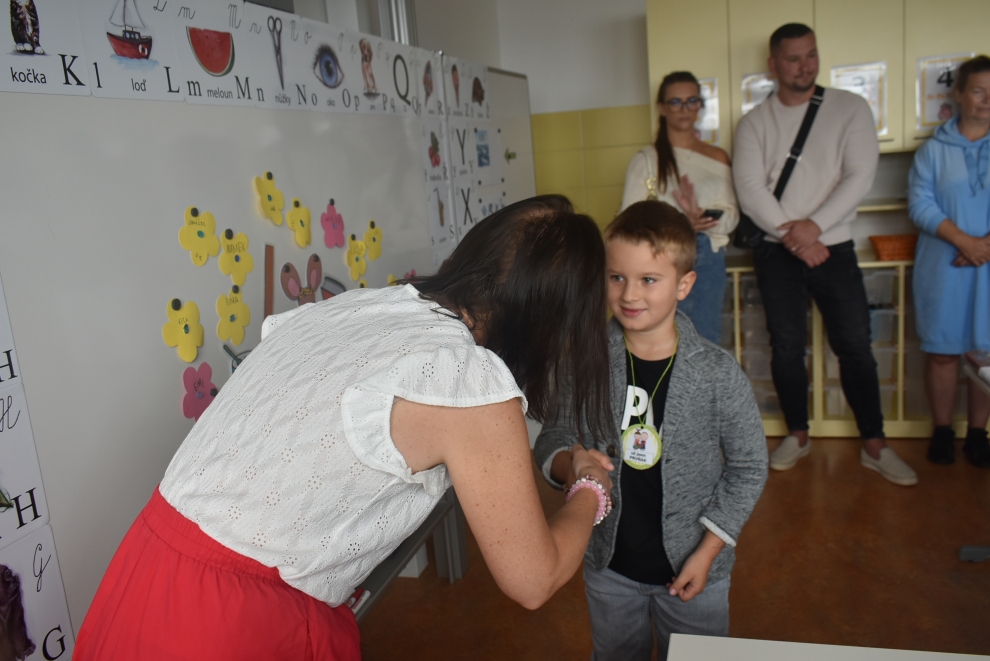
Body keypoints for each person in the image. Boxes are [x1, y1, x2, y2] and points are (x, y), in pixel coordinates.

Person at [74, 195, 617, 660]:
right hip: (228, 623)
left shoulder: (361, 308)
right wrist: (591, 488)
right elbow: (533, 579)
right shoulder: (468, 382)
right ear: (557, 321)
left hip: (148, 569)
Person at [535, 201, 767, 661]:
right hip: (609, 570)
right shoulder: (584, 363)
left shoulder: (718, 373)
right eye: (616, 277)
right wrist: (572, 463)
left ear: (684, 285)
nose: (629, 294)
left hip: (695, 570)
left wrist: (708, 551)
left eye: (648, 280)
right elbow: (553, 437)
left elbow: (749, 467)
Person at [733, 23, 917, 486]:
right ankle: (797, 434)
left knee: (855, 345)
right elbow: (750, 189)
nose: (805, 66)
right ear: (773, 64)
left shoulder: (850, 108)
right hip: (776, 251)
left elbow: (860, 175)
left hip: (833, 246)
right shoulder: (754, 122)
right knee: (786, 346)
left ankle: (874, 443)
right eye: (793, 58)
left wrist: (814, 228)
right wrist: (796, 236)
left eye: (811, 55)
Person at [908, 55, 990, 467]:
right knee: (942, 353)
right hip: (944, 265)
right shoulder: (933, 151)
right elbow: (920, 205)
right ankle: (942, 430)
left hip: (987, 266)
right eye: (978, 91)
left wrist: (983, 247)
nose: (987, 99)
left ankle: (978, 434)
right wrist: (965, 242)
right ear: (959, 94)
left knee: (985, 354)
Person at [620, 71, 739, 344]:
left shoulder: (717, 156)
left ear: (699, 105)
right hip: (659, 260)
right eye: (675, 102)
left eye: (691, 101)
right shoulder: (647, 160)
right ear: (662, 108)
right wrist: (682, 224)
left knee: (705, 341)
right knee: (660, 341)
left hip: (708, 259)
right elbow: (630, 222)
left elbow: (732, 214)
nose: (684, 109)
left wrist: (703, 220)